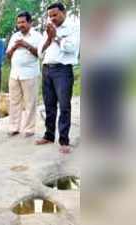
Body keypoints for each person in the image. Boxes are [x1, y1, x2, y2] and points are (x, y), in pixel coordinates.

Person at [36, 2, 80, 153]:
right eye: (50, 16)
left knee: (64, 106)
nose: (52, 18)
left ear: (64, 13)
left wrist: (55, 38)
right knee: (49, 105)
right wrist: (49, 38)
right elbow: (40, 52)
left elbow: (72, 48)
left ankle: (64, 141)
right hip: (47, 69)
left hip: (62, 71)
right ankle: (48, 135)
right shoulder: (48, 30)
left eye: (55, 15)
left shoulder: (73, 28)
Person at [6, 11, 43, 138]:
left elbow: (40, 54)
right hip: (14, 74)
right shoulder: (15, 36)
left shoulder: (37, 36)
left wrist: (26, 45)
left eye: (23, 22)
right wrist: (14, 47)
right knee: (14, 102)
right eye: (18, 22)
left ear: (29, 22)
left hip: (30, 74)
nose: (20, 25)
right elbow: (8, 55)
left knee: (30, 102)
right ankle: (14, 127)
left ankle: (29, 129)